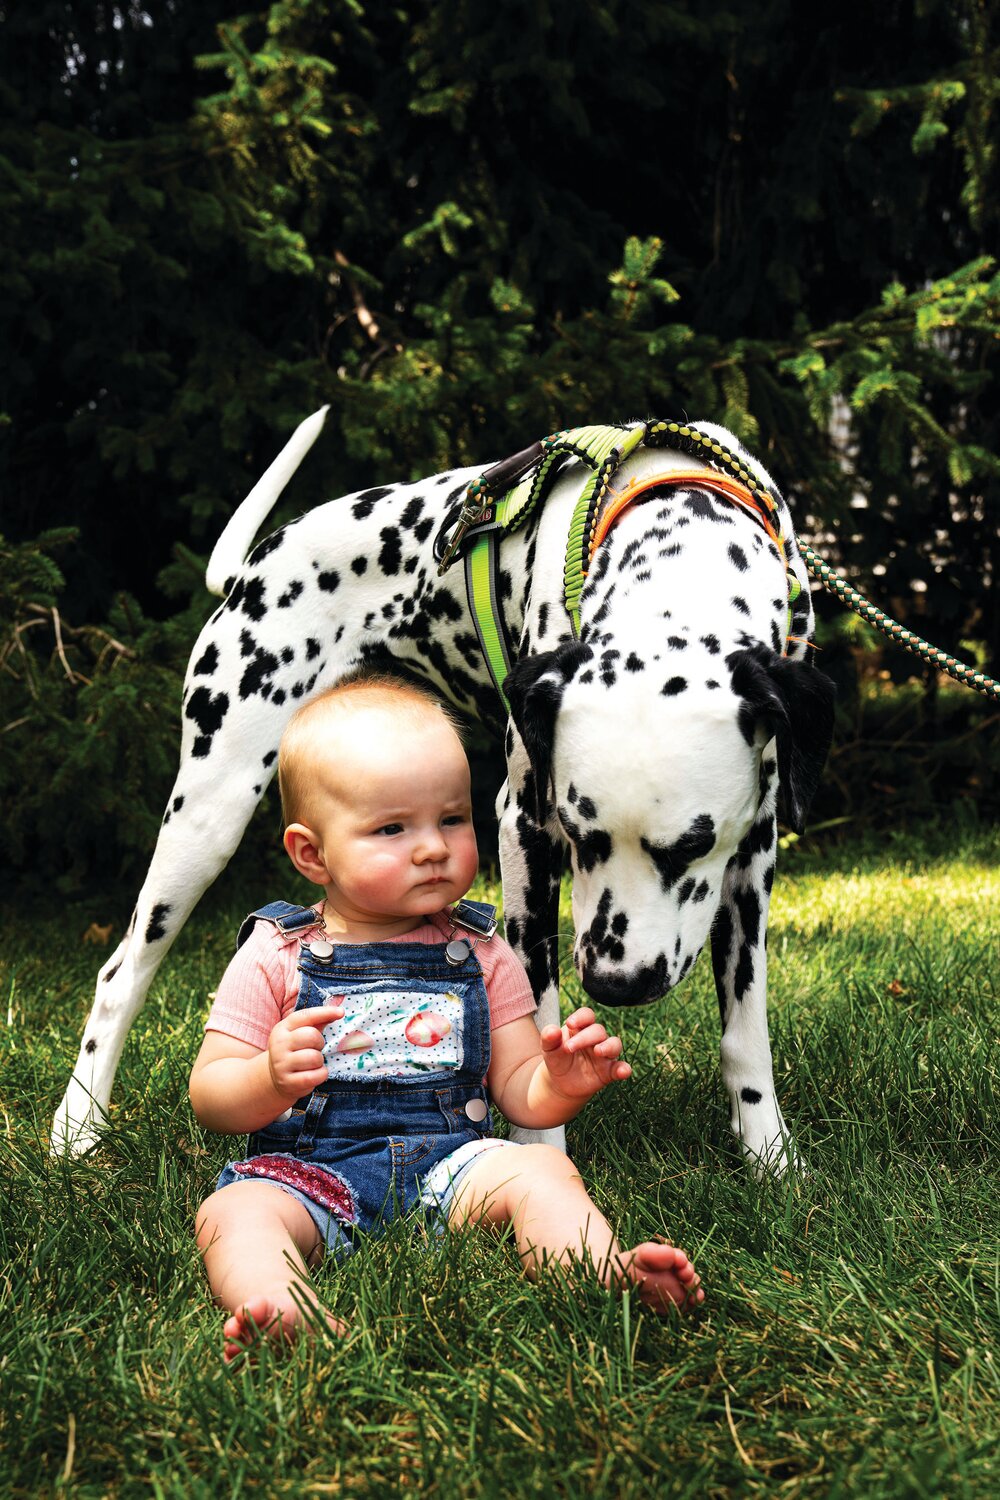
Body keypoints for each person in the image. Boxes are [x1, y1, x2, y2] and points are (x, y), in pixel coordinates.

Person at [190, 673, 704, 1360]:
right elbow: (211, 1098)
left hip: (453, 1170)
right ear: (311, 853)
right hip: (310, 1174)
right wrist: (267, 1077)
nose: (432, 847)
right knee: (233, 1212)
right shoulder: (277, 954)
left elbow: (518, 1088)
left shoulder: (481, 950)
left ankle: (600, 1276)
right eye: (392, 828)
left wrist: (559, 1082)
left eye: (452, 819)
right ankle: (284, 1309)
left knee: (542, 1174)